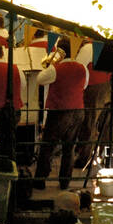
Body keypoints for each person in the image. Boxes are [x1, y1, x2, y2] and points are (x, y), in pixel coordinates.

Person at [34, 39, 89, 189]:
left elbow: (39, 80)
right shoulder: (83, 68)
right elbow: (84, 85)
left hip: (59, 111)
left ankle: (40, 180)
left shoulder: (55, 69)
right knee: (69, 148)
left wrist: (51, 65)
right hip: (77, 111)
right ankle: (65, 182)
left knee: (48, 147)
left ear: (60, 52)